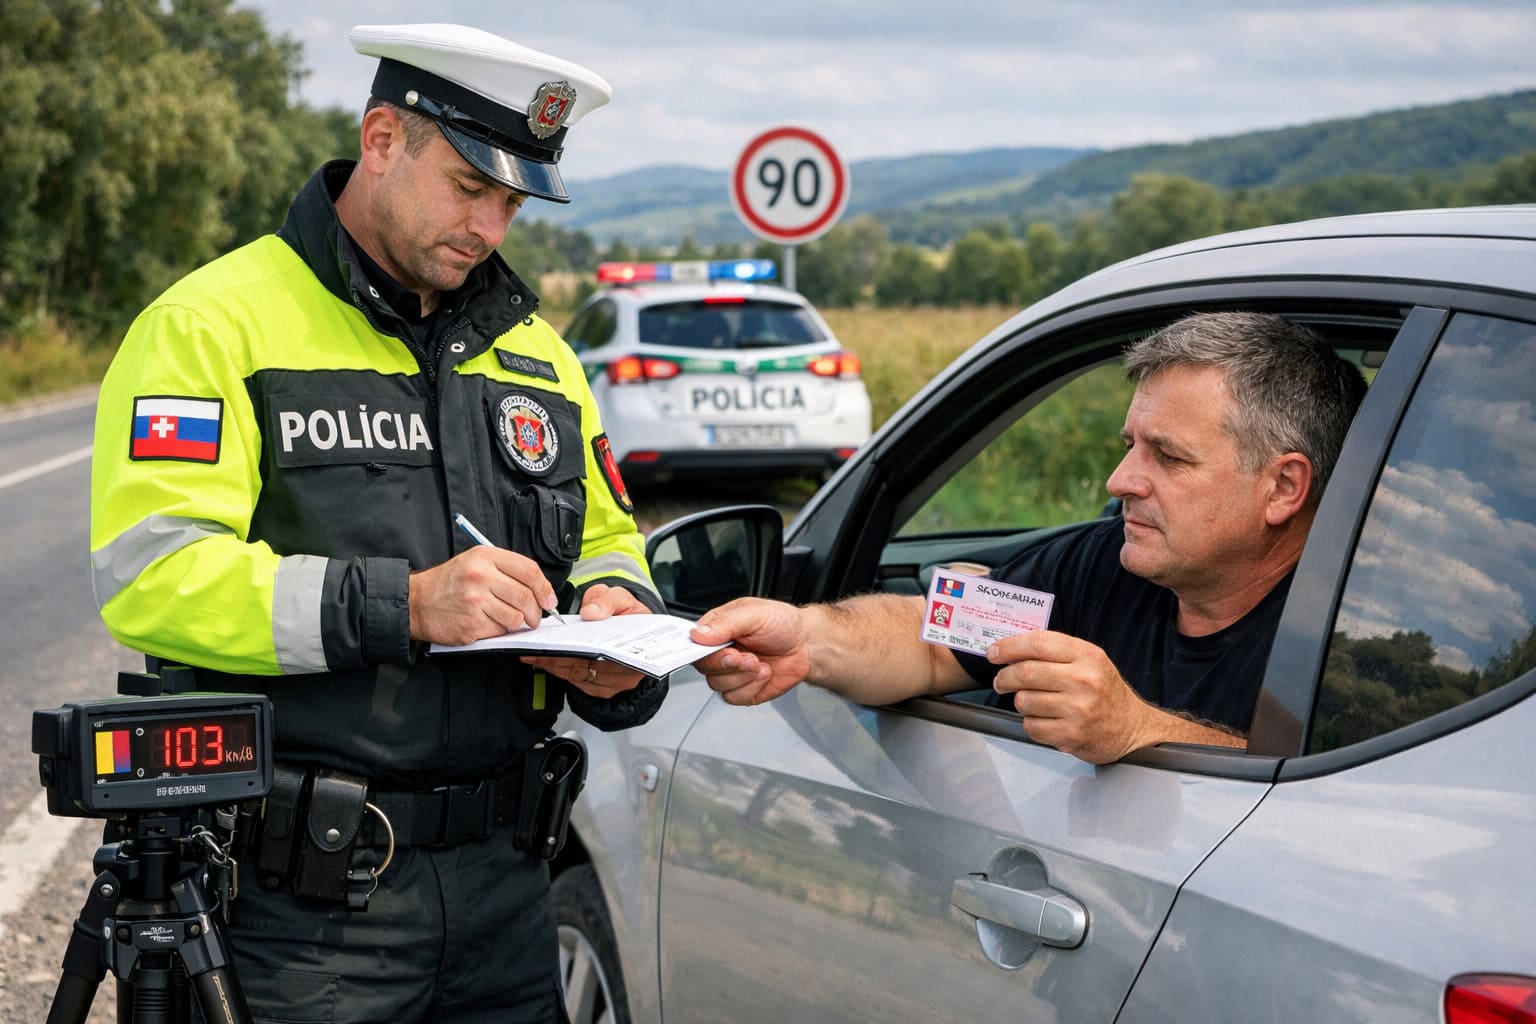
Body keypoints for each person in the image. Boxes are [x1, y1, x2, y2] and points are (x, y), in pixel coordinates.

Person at [89, 23, 662, 1023]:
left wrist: (619, 609)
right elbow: (155, 577)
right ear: (384, 137)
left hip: (508, 891)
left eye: (514, 202)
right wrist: (406, 604)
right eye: (469, 186)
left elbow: (610, 533)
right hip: (297, 913)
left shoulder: (538, 356)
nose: (489, 226)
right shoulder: (211, 323)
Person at [691, 311, 1368, 765]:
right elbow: (935, 643)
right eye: (1131, 445)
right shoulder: (1106, 562)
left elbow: (1331, 809)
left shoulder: (1364, 634)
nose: (1120, 480)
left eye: (1170, 457)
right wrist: (807, 639)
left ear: (1284, 487)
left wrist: (1138, 730)